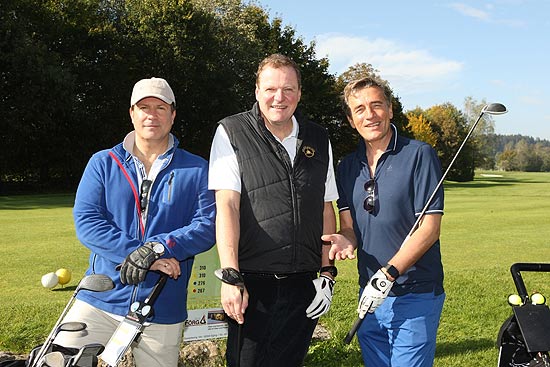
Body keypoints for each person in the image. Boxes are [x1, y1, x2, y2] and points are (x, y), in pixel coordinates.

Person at [54, 77, 216, 367]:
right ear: (132, 113)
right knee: (55, 361)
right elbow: (88, 222)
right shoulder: (103, 162)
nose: (151, 114)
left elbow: (206, 226)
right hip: (100, 297)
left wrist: (156, 248)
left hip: (162, 303)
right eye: (143, 107)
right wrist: (143, 255)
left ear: (173, 114)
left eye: (160, 107)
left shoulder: (197, 168)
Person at [208, 53, 339, 367]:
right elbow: (226, 206)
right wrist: (230, 276)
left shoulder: (319, 138)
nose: (279, 97)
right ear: (257, 91)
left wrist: (328, 273)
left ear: (299, 93)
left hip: (304, 283)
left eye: (288, 89)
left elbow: (325, 207)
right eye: (270, 89)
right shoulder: (231, 131)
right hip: (253, 282)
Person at [323, 77, 445, 367]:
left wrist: (390, 272)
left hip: (414, 293)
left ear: (390, 110)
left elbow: (429, 229)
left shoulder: (419, 154)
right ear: (351, 120)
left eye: (377, 105)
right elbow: (350, 226)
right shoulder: (347, 166)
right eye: (360, 109)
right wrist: (345, 238)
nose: (370, 114)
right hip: (370, 297)